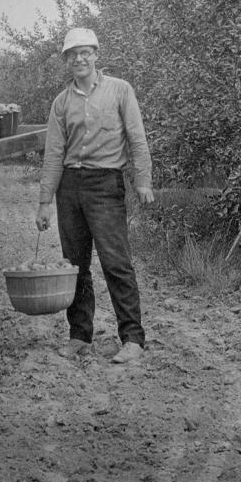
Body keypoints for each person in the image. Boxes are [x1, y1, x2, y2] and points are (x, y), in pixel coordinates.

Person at [35, 28, 154, 365]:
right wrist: (45, 202)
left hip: (106, 184)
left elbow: (137, 138)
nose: (79, 59)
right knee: (75, 265)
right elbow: (54, 154)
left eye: (85, 52)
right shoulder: (61, 102)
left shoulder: (120, 90)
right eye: (72, 55)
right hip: (69, 187)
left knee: (116, 262)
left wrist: (143, 180)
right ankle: (79, 336)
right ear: (65, 61)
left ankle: (132, 339)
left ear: (96, 54)